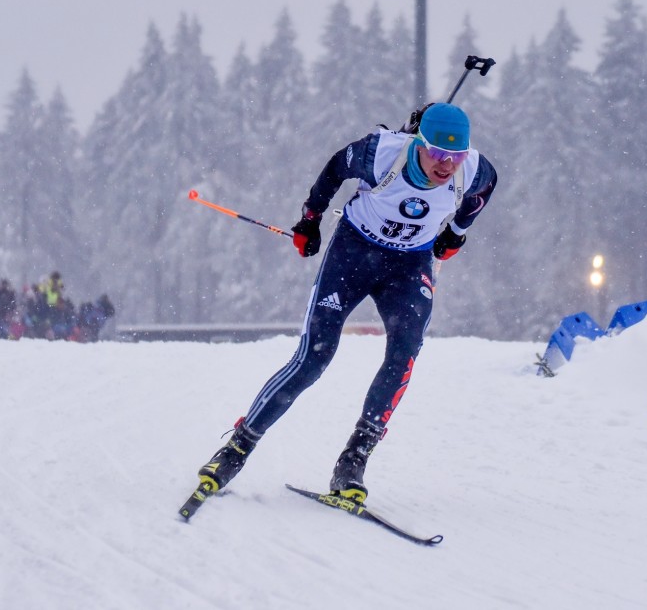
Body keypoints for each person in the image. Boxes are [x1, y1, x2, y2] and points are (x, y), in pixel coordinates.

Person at [192, 103, 497, 503]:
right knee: (314, 357)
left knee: (405, 351)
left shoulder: (473, 169)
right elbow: (336, 168)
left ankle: (353, 461)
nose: (446, 166)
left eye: (455, 157)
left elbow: (484, 191)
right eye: (438, 153)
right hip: (353, 256)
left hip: (408, 267)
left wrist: (455, 234)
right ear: (419, 143)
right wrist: (309, 221)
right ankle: (236, 448)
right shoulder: (381, 153)